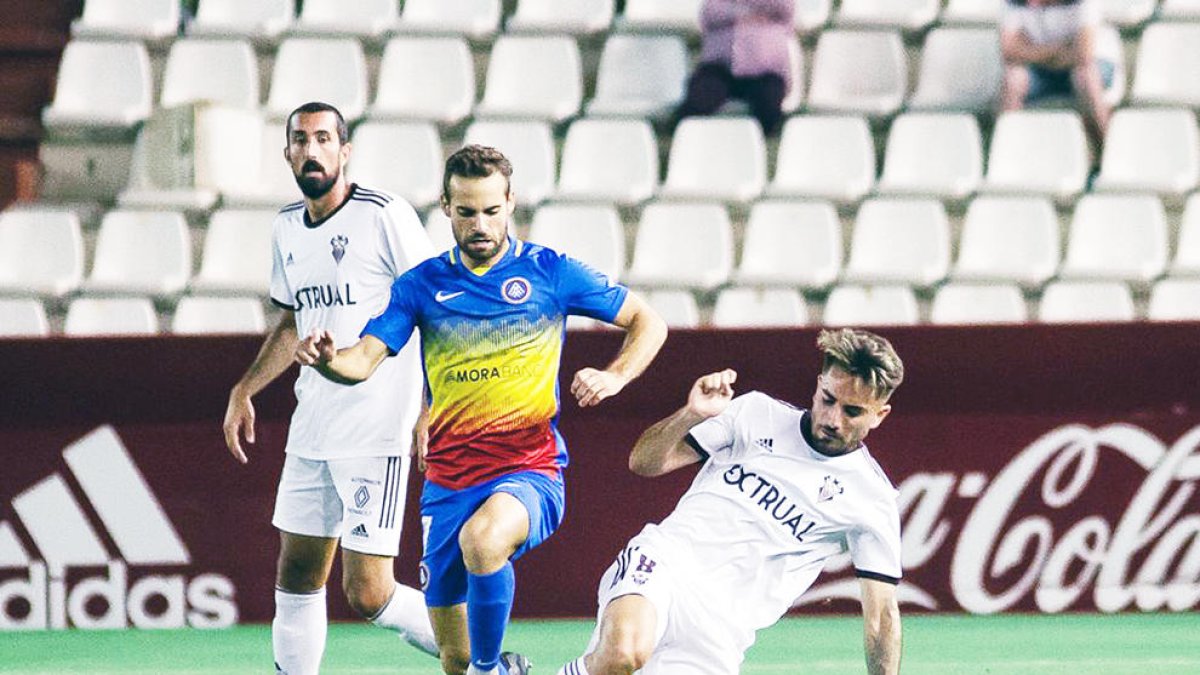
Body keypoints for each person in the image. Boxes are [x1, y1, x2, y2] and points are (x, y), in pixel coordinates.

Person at [294, 144, 669, 675]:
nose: (480, 225)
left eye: (492, 210)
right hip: (448, 484)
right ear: (446, 206)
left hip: (530, 471)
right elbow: (362, 360)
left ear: (510, 202)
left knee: (484, 539)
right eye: (467, 212)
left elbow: (648, 322)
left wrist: (615, 375)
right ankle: (489, 666)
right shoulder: (421, 286)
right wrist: (328, 360)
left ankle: (491, 670)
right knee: (455, 658)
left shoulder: (549, 272)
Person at [222, 101, 439, 675]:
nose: (311, 150)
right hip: (313, 424)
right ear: (288, 153)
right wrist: (245, 389)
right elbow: (292, 320)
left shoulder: (384, 214)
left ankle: (483, 657)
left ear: (345, 151)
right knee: (296, 573)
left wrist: (430, 405)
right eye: (301, 140)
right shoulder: (286, 226)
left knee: (369, 592)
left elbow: (434, 307)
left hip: (377, 425)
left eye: (323, 139)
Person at [558, 328, 906, 675]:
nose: (832, 419)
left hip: (719, 635)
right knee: (622, 654)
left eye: (852, 411)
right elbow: (643, 463)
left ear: (880, 414)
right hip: (666, 563)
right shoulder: (755, 413)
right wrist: (691, 414)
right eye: (828, 399)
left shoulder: (873, 499)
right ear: (818, 385)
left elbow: (882, 616)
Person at [1000, 0, 1117, 140]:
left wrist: (1032, 50)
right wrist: (1057, 51)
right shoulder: (1014, 3)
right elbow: (1010, 51)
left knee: (1086, 75)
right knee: (1014, 77)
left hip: (1092, 66)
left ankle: (1107, 141)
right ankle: (1008, 142)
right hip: (1041, 70)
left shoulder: (1084, 3)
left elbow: (1084, 54)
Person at [675, 0, 795, 136]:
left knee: (769, 105)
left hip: (765, 69)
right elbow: (710, 12)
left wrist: (737, 9)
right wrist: (750, 13)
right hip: (720, 67)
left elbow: (784, 6)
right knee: (698, 100)